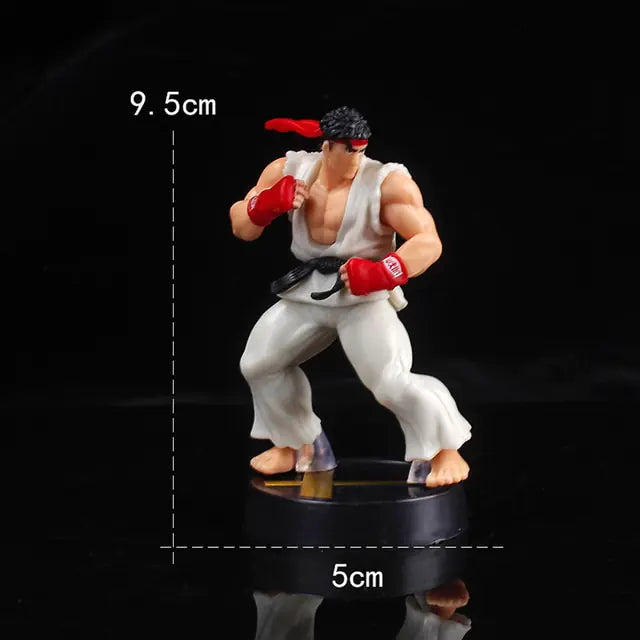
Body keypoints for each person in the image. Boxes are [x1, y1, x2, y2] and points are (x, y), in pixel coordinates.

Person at [229, 106, 471, 487]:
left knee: (391, 382)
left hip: (364, 297)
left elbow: (428, 242)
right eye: (348, 149)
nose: (356, 158)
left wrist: (382, 272)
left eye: (361, 149)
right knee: (259, 364)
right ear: (327, 146)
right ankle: (299, 444)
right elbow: (241, 225)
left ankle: (445, 449)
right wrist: (265, 206)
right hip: (309, 293)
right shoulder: (288, 170)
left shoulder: (386, 183)